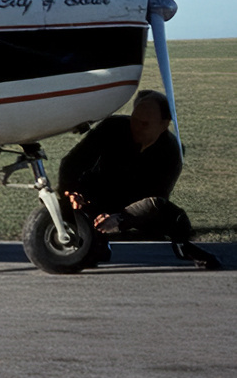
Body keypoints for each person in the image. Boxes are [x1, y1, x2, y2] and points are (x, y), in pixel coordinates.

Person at [57, 90, 219, 269]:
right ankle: (93, 242)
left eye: (145, 124)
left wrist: (119, 218)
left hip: (138, 206)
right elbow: (71, 163)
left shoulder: (172, 151)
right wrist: (72, 191)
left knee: (176, 218)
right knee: (58, 207)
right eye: (134, 119)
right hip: (98, 195)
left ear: (163, 124)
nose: (136, 127)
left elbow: (156, 198)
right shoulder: (111, 127)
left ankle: (185, 248)